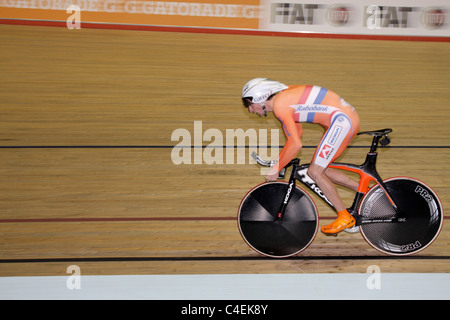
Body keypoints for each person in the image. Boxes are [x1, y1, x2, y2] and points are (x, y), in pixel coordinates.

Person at [242, 78, 360, 235]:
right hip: (341, 119)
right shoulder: (283, 101)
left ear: (259, 98)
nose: (250, 110)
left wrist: (277, 168)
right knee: (322, 170)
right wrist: (279, 162)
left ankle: (345, 217)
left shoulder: (280, 106)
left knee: (315, 171)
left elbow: (296, 144)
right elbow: (296, 135)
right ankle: (367, 193)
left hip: (342, 121)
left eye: (249, 104)